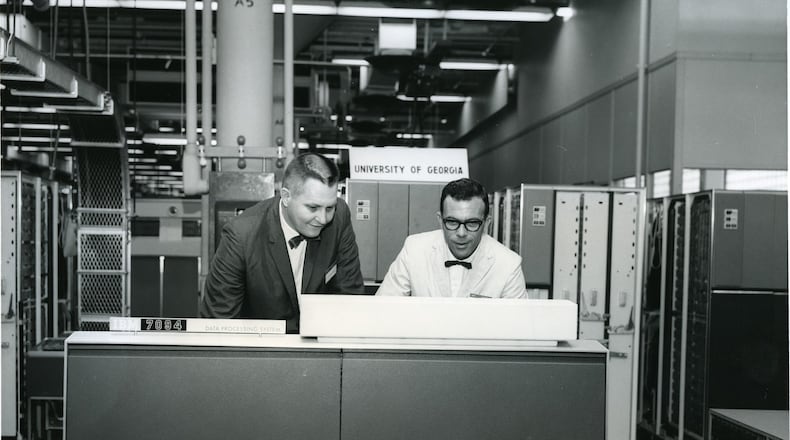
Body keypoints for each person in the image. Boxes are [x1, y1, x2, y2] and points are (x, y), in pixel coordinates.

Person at [200, 152, 364, 332]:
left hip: (320, 347)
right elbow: (218, 322)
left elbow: (350, 297)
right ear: (286, 197)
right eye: (312, 207)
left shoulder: (340, 216)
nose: (323, 219)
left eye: (329, 208)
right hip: (260, 350)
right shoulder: (241, 236)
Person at [376, 178, 526, 298]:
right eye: (452, 222)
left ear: (487, 223)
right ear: (440, 220)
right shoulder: (414, 250)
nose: (461, 233)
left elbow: (518, 328)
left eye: (472, 223)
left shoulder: (508, 265)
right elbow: (383, 310)